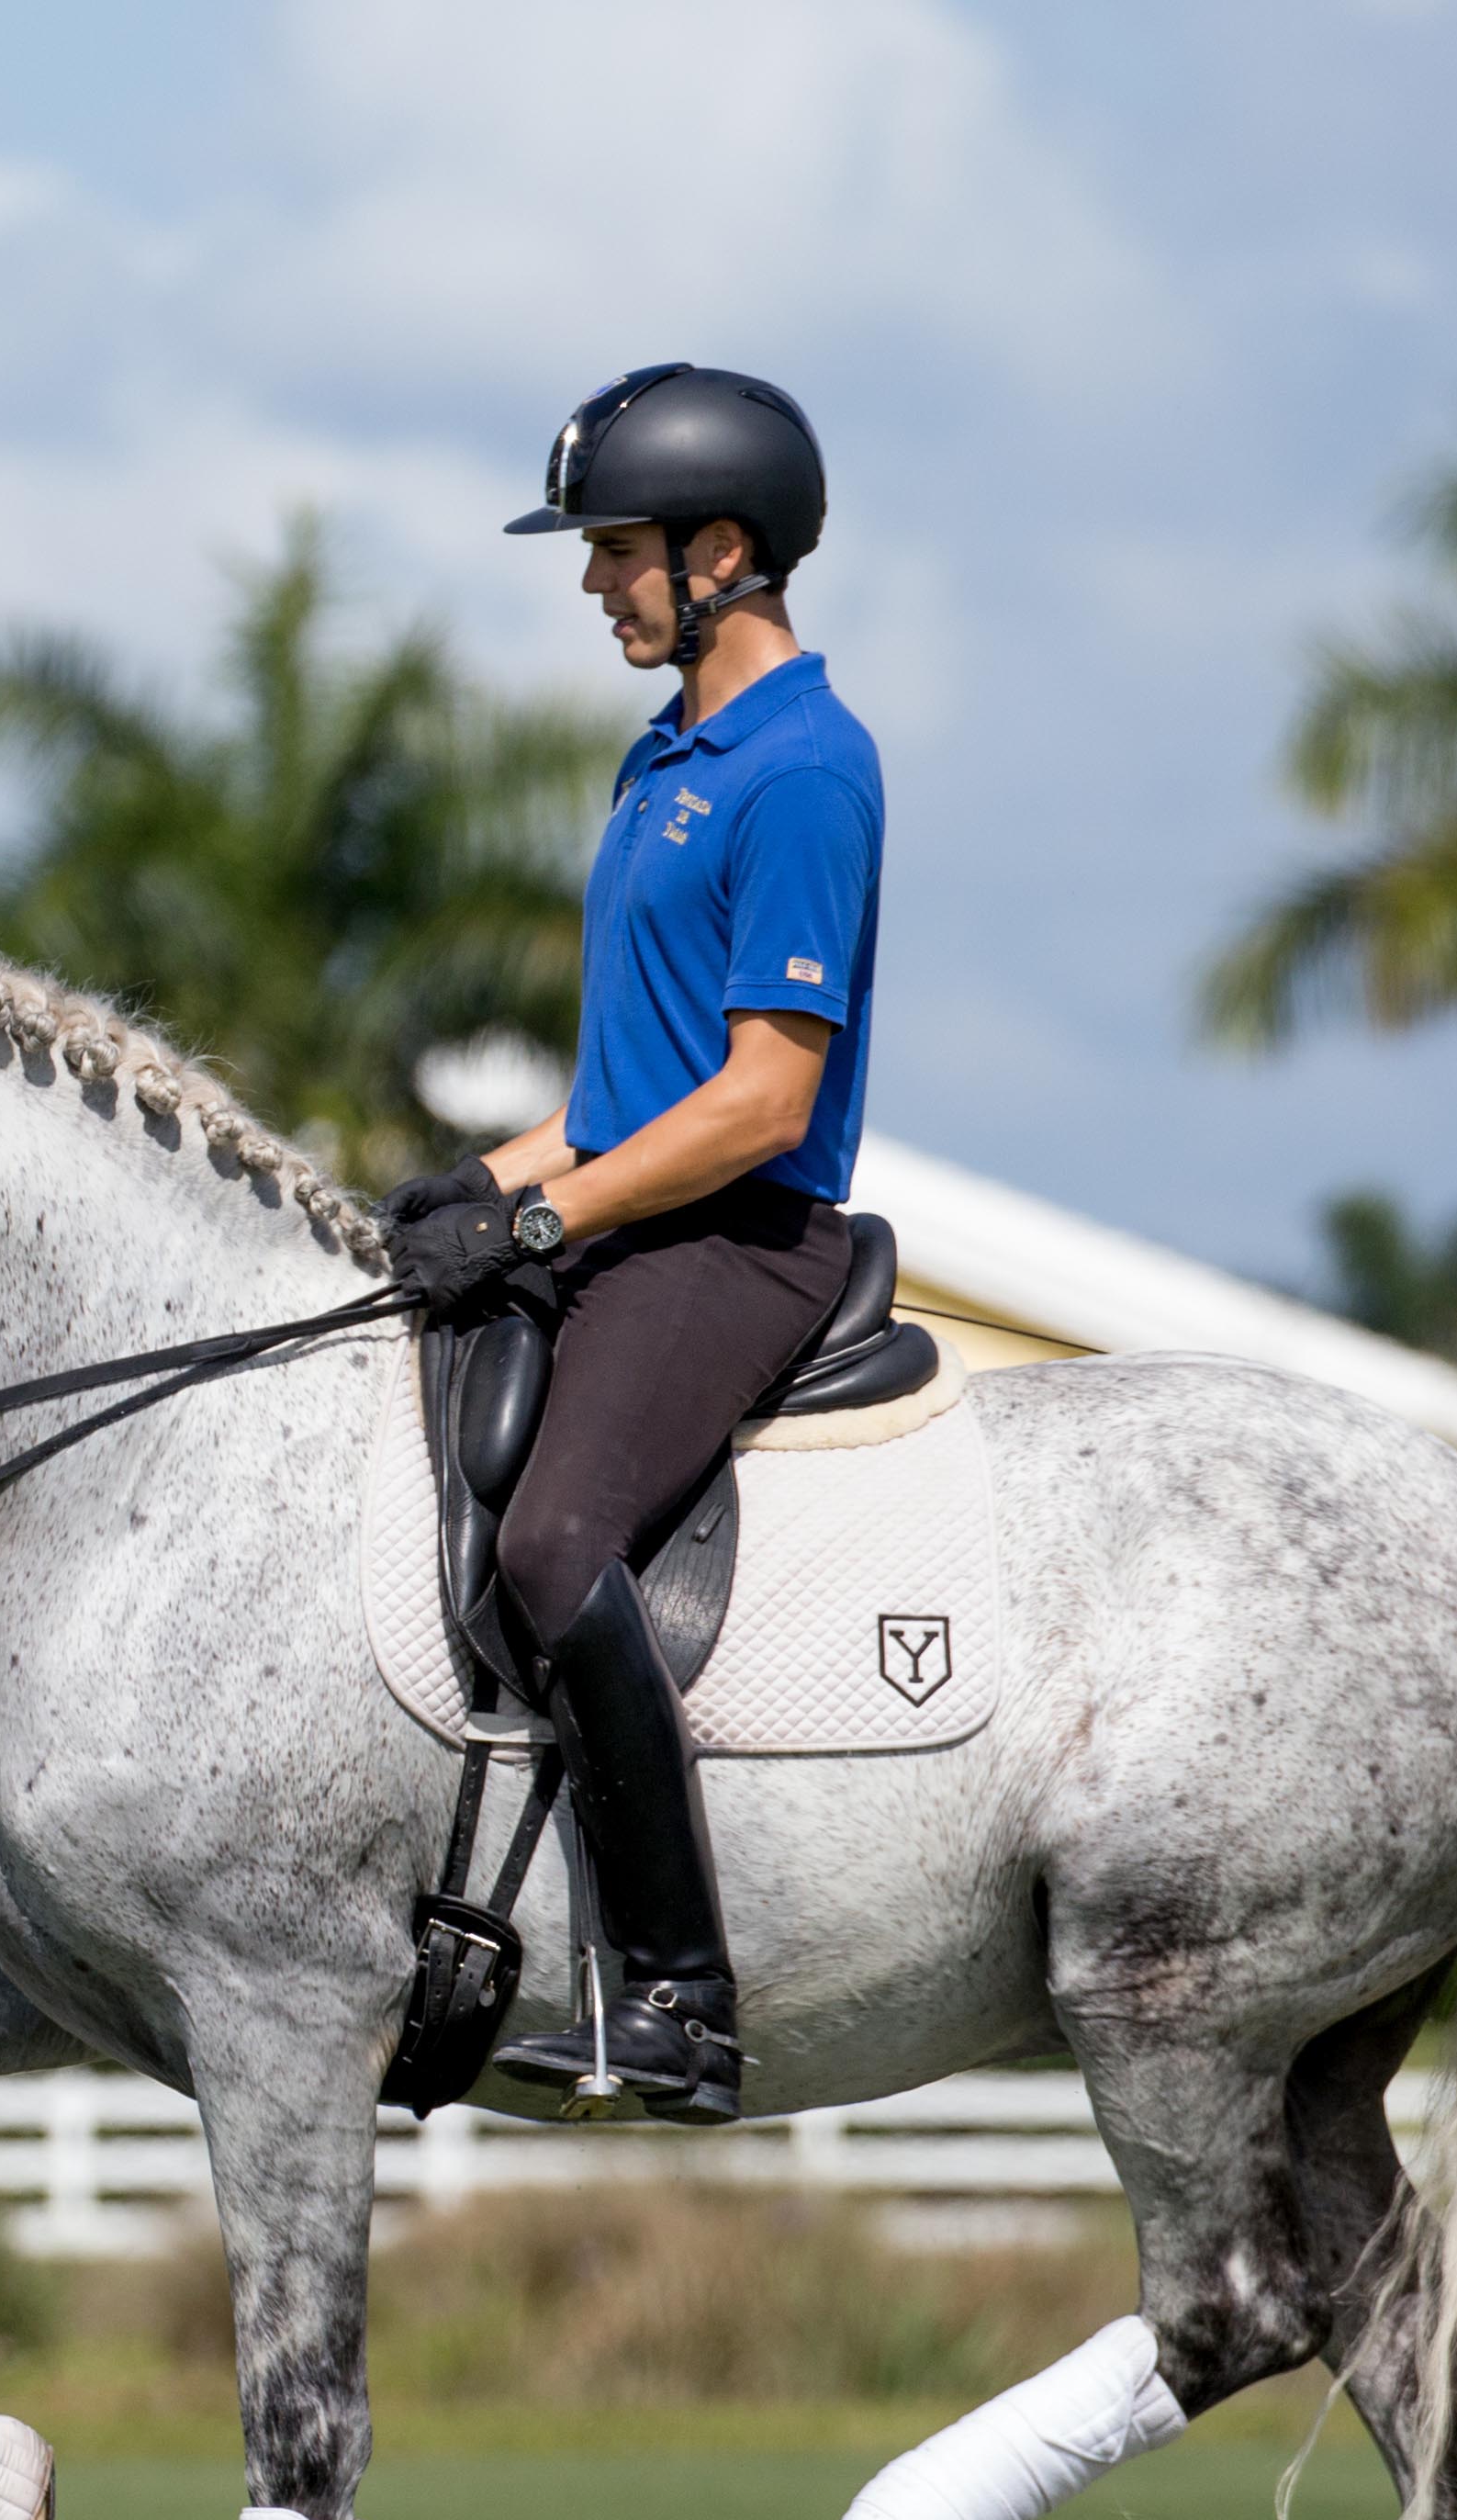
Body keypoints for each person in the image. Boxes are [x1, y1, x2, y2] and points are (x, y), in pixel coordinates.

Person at [379, 362, 882, 2126]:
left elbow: (756, 1100)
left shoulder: (809, 770)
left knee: (555, 1539)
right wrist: (462, 1189)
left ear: (721, 554)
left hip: (735, 1243)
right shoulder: (663, 754)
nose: (597, 585)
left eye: (616, 553)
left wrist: (541, 1215)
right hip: (627, 1205)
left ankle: (678, 1992)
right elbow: (618, 1092)